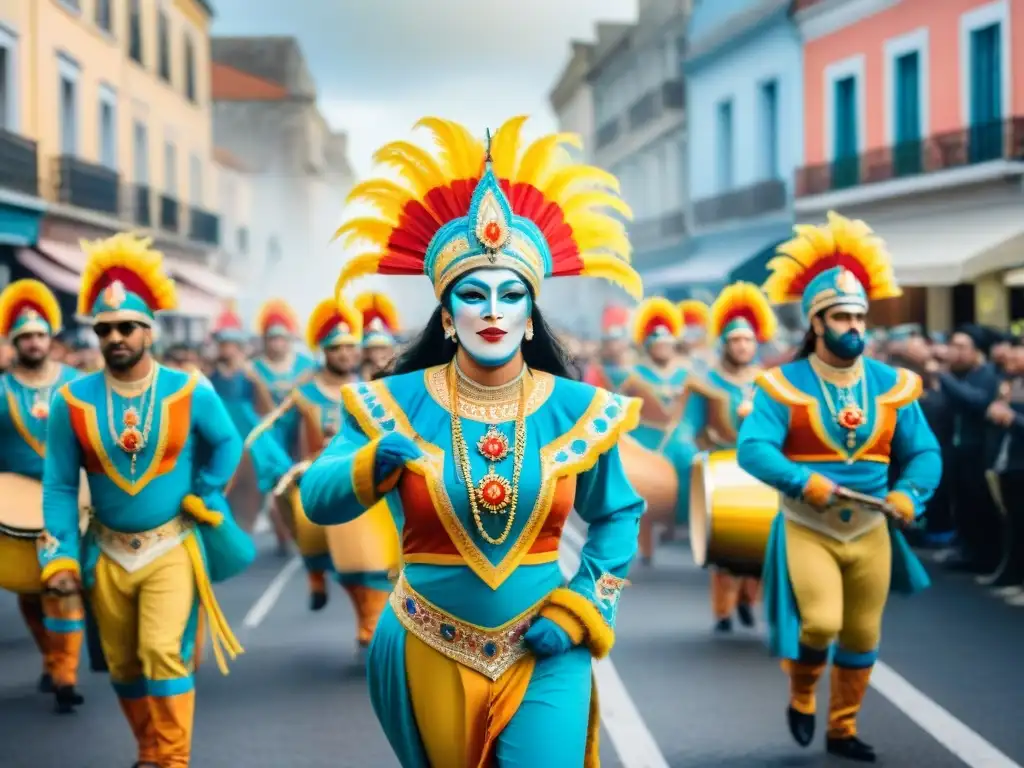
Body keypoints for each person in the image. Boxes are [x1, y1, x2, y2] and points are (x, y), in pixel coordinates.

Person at [300, 116, 645, 767]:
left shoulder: (579, 410)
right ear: (448, 314)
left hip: (547, 644)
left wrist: (582, 606)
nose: (492, 309)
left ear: (529, 313)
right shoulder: (386, 406)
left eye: (511, 295)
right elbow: (320, 499)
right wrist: (373, 462)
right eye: (474, 294)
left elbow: (620, 511)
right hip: (429, 642)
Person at [38, 232, 254, 768]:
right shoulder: (71, 400)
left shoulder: (189, 389)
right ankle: (150, 750)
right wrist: (59, 554)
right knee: (122, 664)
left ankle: (173, 760)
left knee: (162, 651)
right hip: (105, 552)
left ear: (149, 331)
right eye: (105, 328)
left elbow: (228, 440)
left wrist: (205, 489)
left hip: (171, 545)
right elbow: (60, 484)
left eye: (127, 327)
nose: (115, 336)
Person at [737, 211, 942, 763]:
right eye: (842, 317)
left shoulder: (894, 384)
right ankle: (803, 694)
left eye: (859, 316)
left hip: (873, 526)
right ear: (817, 323)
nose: (855, 326)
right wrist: (804, 481)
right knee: (822, 621)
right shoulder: (783, 384)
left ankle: (842, 728)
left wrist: (909, 494)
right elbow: (753, 448)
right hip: (810, 524)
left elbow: (923, 451)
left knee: (860, 634)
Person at [247, 297, 400, 645]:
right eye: (337, 348)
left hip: (374, 477)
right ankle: (318, 571)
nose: (346, 354)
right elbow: (262, 434)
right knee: (303, 513)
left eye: (350, 347)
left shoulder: (373, 390)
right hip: (326, 480)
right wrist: (286, 470)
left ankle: (375, 616)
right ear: (324, 351)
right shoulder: (304, 394)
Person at [0, 279, 84, 711]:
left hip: (67, 499)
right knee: (29, 592)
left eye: (39, 334)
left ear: (51, 338)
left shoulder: (77, 385)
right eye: (24, 336)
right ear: (14, 342)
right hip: (14, 506)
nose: (33, 342)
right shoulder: (0, 391)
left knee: (63, 582)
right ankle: (52, 660)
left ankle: (67, 674)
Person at [684, 282, 776, 633]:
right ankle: (722, 611)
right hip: (722, 468)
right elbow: (693, 427)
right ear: (725, 344)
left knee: (759, 542)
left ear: (756, 344)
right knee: (724, 546)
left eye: (748, 340)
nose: (742, 346)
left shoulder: (768, 383)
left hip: (761, 470)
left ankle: (748, 602)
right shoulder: (705, 381)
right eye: (736, 340)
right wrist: (700, 459)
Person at [625, 297, 692, 560]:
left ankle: (683, 525)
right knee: (644, 490)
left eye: (666, 344)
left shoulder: (687, 374)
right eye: (657, 345)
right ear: (648, 347)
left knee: (688, 471)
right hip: (645, 438)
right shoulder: (635, 375)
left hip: (677, 437)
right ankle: (646, 544)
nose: (662, 349)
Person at [355, 291, 402, 380]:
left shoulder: (401, 376)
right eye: (374, 348)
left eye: (383, 348)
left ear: (392, 350)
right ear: (365, 352)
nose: (380, 354)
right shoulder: (353, 378)